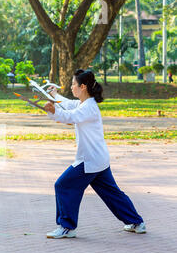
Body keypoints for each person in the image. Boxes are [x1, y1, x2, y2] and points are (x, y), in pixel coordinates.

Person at [43, 69, 146, 239]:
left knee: (63, 185)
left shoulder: (88, 108)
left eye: (73, 84)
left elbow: (70, 116)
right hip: (99, 160)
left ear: (82, 87)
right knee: (112, 194)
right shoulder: (84, 104)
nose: (71, 87)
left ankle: (67, 227)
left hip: (90, 161)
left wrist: (53, 111)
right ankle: (136, 222)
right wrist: (54, 96)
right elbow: (68, 104)